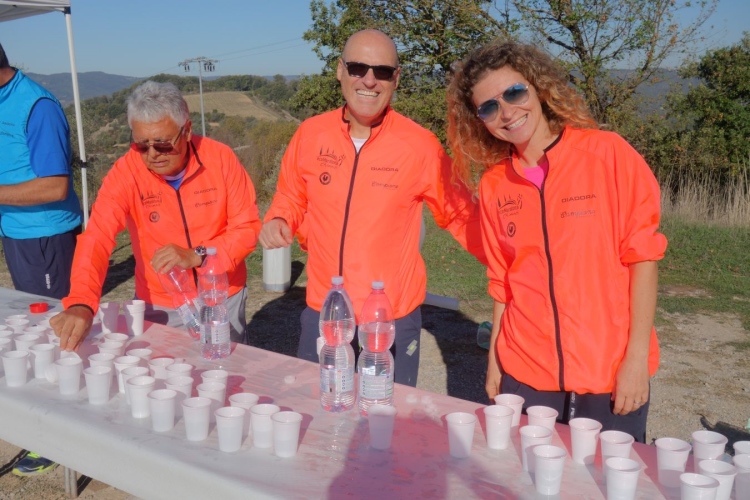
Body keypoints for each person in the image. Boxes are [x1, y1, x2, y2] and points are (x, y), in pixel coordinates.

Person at [446, 40, 667, 442]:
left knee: (604, 474)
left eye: (514, 93)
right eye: (489, 107)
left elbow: (644, 258)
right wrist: (496, 359)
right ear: (479, 120)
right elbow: (503, 282)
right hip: (526, 372)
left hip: (607, 370)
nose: (506, 113)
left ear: (539, 88)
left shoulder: (608, 154)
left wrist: (636, 360)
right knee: (526, 472)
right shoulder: (495, 185)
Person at [259, 29, 485, 387]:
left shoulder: (419, 145)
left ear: (396, 78)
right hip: (325, 307)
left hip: (389, 315)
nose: (369, 80)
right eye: (357, 68)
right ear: (340, 70)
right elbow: (291, 195)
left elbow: (462, 215)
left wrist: (518, 264)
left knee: (383, 418)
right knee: (320, 409)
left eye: (382, 71)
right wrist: (279, 218)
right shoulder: (310, 134)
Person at [51, 80, 261, 351]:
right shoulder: (126, 172)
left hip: (221, 295)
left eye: (162, 145)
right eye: (141, 145)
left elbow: (247, 228)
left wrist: (198, 255)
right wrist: (81, 301)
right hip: (161, 303)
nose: (152, 155)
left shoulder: (220, 159)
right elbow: (96, 238)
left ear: (187, 130)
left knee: (224, 369)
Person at [0, 42, 83, 477]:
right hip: (17, 233)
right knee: (36, 333)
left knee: (57, 335)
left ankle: (60, 438)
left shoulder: (37, 107)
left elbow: (54, 186)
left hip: (47, 236)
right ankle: (47, 425)